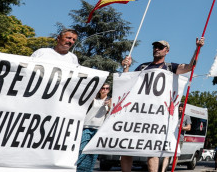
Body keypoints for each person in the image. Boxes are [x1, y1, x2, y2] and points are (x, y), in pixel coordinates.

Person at [119, 37, 204, 172]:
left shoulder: (170, 67)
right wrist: (126, 68)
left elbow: (189, 67)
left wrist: (197, 49)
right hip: (137, 113)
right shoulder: (143, 67)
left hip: (156, 116)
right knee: (126, 149)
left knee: (152, 151)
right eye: (155, 47)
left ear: (167, 51)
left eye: (160, 47)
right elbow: (128, 83)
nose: (156, 49)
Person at [77, 81, 111, 172]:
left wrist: (109, 105)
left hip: (98, 129)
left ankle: (88, 170)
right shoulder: (93, 99)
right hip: (87, 126)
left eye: (107, 88)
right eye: (103, 88)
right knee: (82, 150)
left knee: (93, 153)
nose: (104, 90)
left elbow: (112, 111)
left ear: (109, 90)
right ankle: (77, 169)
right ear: (99, 90)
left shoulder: (110, 100)